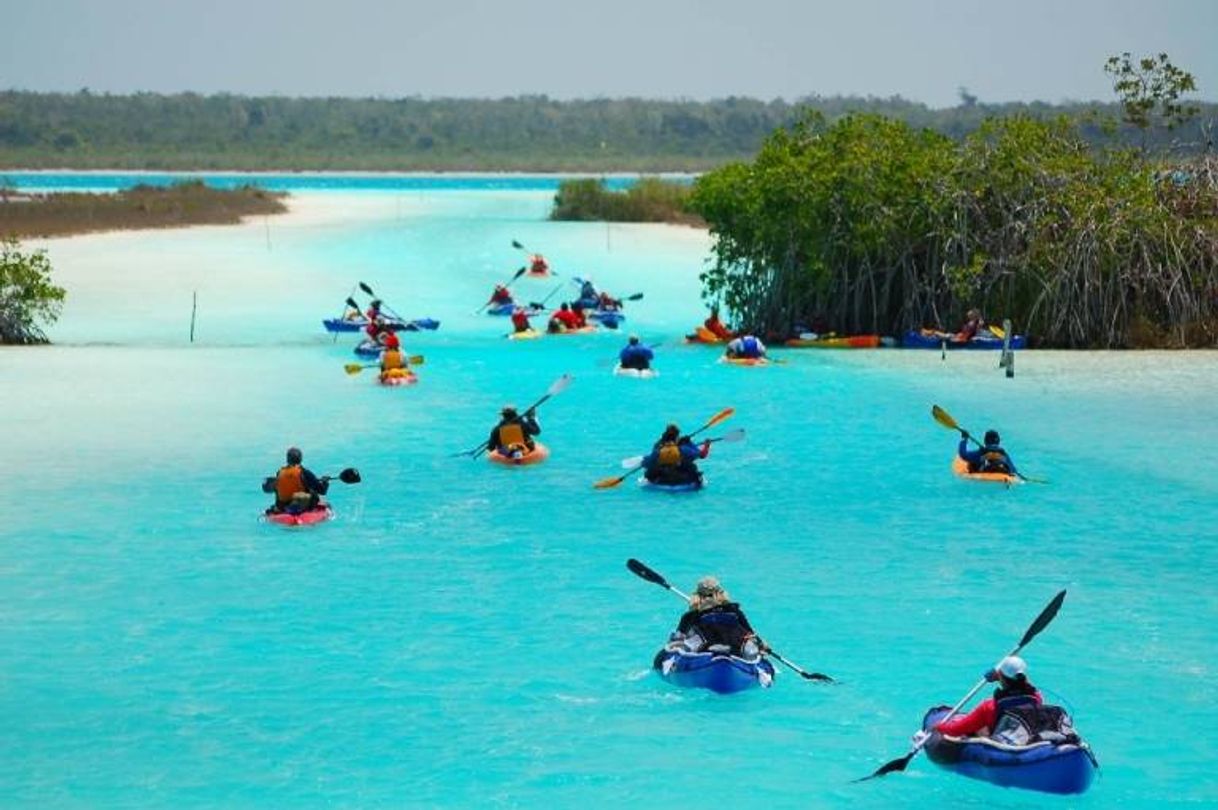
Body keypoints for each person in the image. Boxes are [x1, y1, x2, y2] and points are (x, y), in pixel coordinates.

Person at [932, 656, 1042, 738]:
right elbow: (1023, 684)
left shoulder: (989, 707)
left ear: (1000, 676)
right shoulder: (1036, 699)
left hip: (1002, 743)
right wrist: (1000, 676)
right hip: (1024, 739)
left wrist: (937, 727)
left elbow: (955, 730)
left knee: (977, 729)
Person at [669, 577, 767, 658]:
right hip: (735, 651)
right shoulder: (735, 611)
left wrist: (673, 640)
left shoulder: (690, 616)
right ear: (720, 594)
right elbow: (750, 633)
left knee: (683, 641)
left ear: (697, 596)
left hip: (706, 652)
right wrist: (762, 645)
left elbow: (677, 640)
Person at [262, 447, 330, 514]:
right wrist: (325, 482)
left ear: (287, 460)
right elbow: (322, 491)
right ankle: (295, 507)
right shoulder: (304, 472)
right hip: (300, 505)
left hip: (282, 506)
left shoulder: (279, 472)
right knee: (314, 493)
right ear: (300, 459)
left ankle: (280, 508)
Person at [642, 424, 709, 486]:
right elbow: (702, 455)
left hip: (661, 479)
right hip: (682, 479)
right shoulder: (683, 448)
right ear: (677, 437)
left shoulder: (658, 449)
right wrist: (706, 445)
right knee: (691, 466)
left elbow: (646, 464)